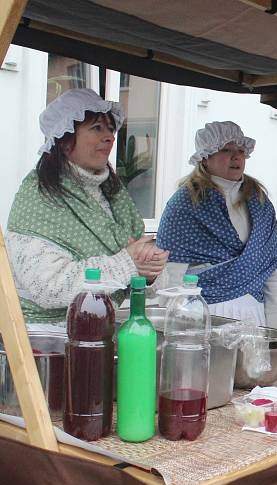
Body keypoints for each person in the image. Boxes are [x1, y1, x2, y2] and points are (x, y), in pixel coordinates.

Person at [6, 88, 168, 325]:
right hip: (45, 342)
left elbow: (137, 267)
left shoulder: (113, 194)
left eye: (111, 129)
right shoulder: (40, 197)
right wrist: (128, 263)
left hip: (101, 330)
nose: (110, 137)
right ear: (64, 139)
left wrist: (150, 270)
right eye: (97, 128)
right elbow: (47, 286)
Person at [156, 121, 277, 329]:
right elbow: (172, 277)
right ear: (205, 157)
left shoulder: (260, 203)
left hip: (255, 320)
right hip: (204, 319)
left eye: (241, 151)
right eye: (226, 149)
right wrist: (172, 332)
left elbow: (275, 274)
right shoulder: (185, 204)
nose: (237, 157)